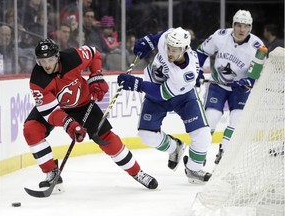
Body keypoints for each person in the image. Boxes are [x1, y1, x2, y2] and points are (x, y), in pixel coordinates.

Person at [23, 38, 158, 192]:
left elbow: (94, 53)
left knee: (107, 137)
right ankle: (51, 172)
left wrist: (96, 75)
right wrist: (70, 125)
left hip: (83, 104)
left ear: (57, 57)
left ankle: (137, 173)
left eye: (50, 59)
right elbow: (51, 113)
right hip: (56, 108)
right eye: (42, 61)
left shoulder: (72, 57)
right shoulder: (37, 80)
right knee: (31, 129)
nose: (46, 65)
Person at [117, 27, 212, 184]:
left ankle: (194, 169)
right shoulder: (169, 40)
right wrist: (148, 41)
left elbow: (162, 93)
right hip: (155, 92)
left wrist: (137, 84)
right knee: (146, 135)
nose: (169, 53)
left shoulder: (186, 74)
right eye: (168, 48)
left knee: (203, 134)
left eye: (175, 50)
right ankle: (174, 148)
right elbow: (161, 36)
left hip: (182, 97)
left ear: (185, 49)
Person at [196, 10, 265, 164]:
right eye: (239, 25)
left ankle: (225, 155)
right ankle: (199, 156)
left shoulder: (258, 46)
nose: (242, 30)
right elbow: (201, 52)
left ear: (250, 28)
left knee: (237, 120)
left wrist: (249, 81)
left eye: (246, 26)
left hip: (240, 89)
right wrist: (197, 71)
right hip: (218, 85)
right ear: (233, 25)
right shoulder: (220, 36)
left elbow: (259, 72)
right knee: (211, 118)